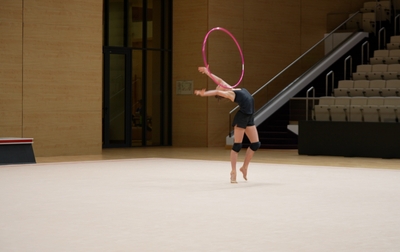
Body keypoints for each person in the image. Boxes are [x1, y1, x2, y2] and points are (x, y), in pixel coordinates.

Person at [194, 67, 261, 183]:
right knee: (237, 146)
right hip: (241, 118)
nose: (219, 85)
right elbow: (216, 91)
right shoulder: (230, 94)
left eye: (219, 85)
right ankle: (233, 172)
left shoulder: (232, 88)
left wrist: (207, 72)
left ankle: (244, 167)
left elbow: (219, 80)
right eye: (218, 86)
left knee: (256, 144)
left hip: (249, 117)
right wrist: (203, 94)